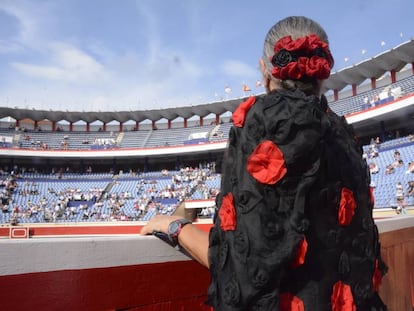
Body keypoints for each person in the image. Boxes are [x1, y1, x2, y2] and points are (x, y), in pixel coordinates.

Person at [141, 16, 387, 310]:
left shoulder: (262, 122)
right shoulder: (343, 133)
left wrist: (175, 226)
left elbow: (241, 268)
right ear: (322, 72)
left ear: (265, 70)